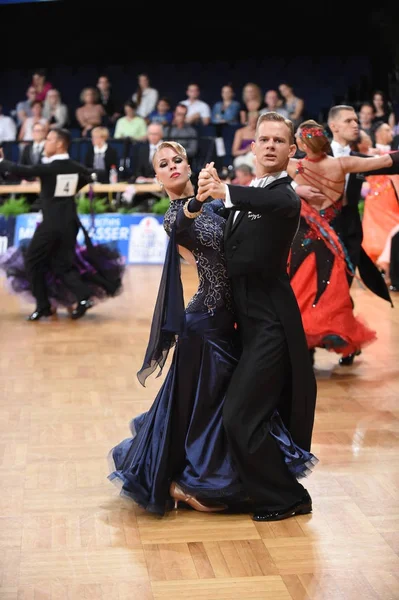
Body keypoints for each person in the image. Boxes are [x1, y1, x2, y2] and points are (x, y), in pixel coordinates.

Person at [108, 140, 317, 518]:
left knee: (208, 412)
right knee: (196, 412)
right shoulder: (176, 215)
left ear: (189, 165)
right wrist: (197, 200)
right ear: (156, 177)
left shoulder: (221, 204)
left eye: (177, 160)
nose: (172, 167)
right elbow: (183, 218)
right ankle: (175, 482)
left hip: (230, 324)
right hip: (203, 325)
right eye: (163, 164)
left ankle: (205, 480)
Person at [196, 112, 318, 522]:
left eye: (278, 141)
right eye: (263, 139)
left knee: (240, 415)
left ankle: (286, 497)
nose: (269, 146)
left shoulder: (284, 196)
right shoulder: (246, 198)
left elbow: (262, 201)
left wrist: (224, 190)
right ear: (252, 146)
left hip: (272, 327)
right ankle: (255, 489)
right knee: (244, 414)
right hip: (245, 325)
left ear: (291, 150)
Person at [285, 120, 399, 366]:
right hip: (330, 246)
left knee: (298, 295)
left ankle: (303, 349)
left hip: (299, 245)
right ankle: (323, 343)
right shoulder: (342, 164)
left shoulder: (293, 166)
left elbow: (263, 171)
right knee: (330, 297)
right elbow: (386, 161)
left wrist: (295, 187)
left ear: (303, 143)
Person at [0, 128, 123, 321]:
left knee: (32, 260)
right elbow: (97, 173)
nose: (45, 143)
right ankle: (82, 297)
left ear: (59, 144)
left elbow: (22, 170)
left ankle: (43, 305)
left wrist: (1, 162)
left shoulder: (50, 168)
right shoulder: (75, 167)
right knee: (61, 266)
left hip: (50, 225)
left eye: (48, 139)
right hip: (70, 224)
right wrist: (88, 177)